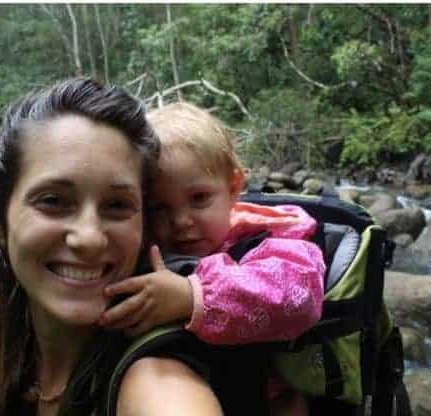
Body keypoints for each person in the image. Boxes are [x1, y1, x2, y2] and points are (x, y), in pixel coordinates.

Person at [0, 79, 226, 416]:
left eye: (117, 205)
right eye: (53, 201)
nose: (88, 238)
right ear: (0, 223)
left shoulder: (156, 387)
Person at [98, 102, 326, 415]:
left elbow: (298, 300)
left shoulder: (273, 242)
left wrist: (192, 296)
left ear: (233, 187)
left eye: (199, 199)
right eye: (159, 208)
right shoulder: (146, 249)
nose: (180, 221)